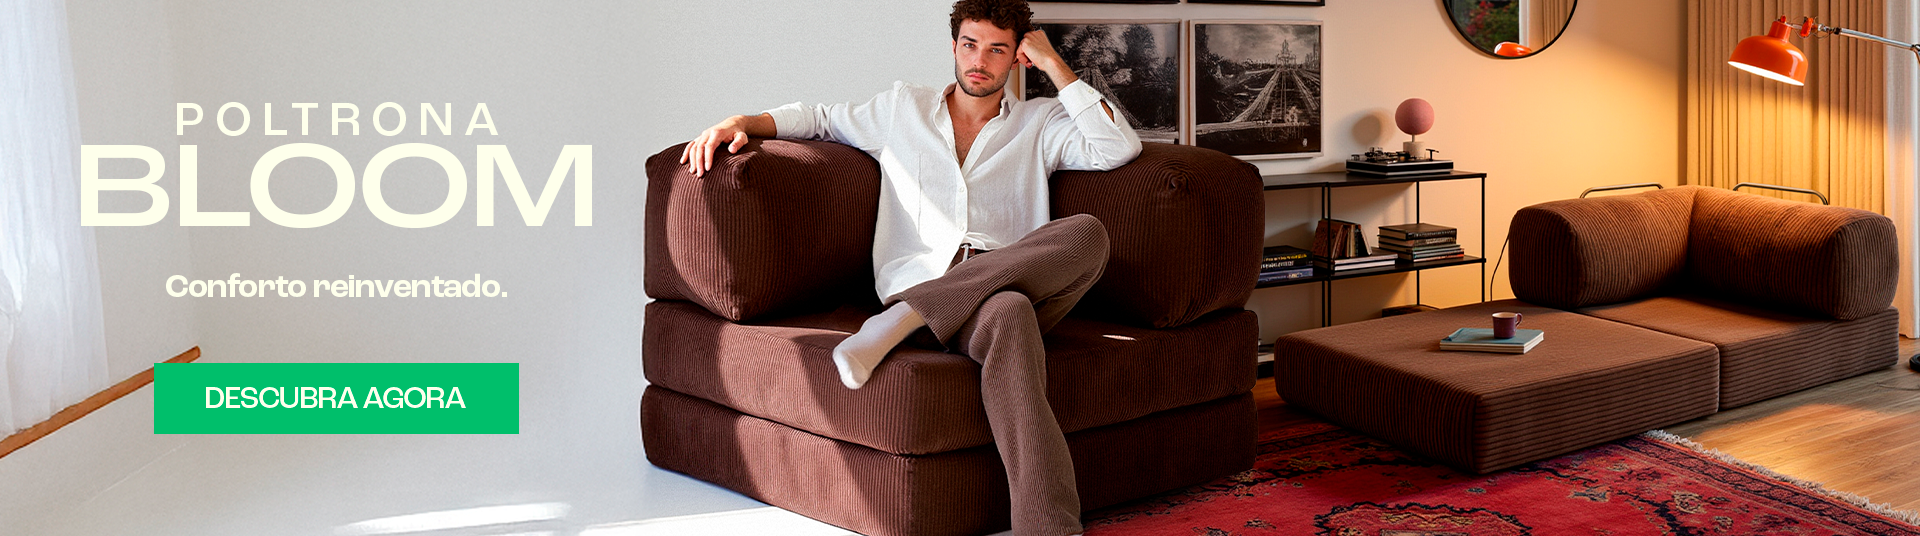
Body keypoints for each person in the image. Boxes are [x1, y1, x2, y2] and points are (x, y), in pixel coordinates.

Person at [679, 1, 1141, 534]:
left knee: (1086, 233)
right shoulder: (903, 109)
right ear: (953, 46)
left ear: (1019, 57)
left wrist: (1055, 64)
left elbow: (1117, 147)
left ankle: (900, 320)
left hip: (1007, 281)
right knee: (1009, 311)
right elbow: (820, 119)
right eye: (970, 45)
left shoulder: (1039, 123)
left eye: (997, 49)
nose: (979, 61)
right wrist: (740, 121)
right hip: (937, 285)